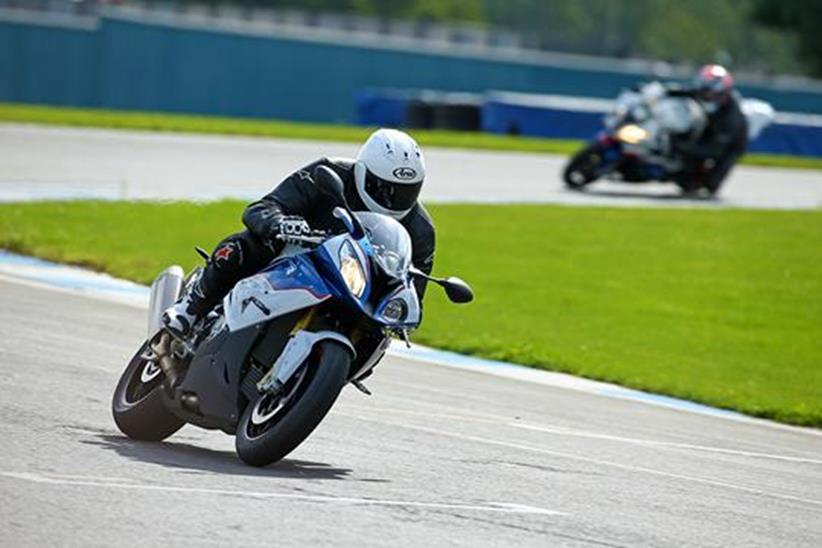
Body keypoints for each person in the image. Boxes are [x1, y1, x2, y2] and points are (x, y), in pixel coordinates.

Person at [162, 128, 435, 338]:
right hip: (296, 258)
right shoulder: (326, 173)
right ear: (361, 172)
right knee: (246, 246)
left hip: (354, 287)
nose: (393, 200)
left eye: (406, 191)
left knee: (380, 332)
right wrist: (279, 223)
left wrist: (406, 315)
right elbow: (262, 208)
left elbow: (413, 293)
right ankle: (191, 307)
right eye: (383, 188)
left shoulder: (421, 230)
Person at [666, 64, 749, 194]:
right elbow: (682, 92)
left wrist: (682, 147)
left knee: (711, 183)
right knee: (684, 179)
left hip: (729, 143)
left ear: (722, 92)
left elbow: (714, 149)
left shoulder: (731, 116)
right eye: (703, 91)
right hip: (706, 129)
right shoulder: (700, 92)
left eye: (709, 93)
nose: (705, 95)